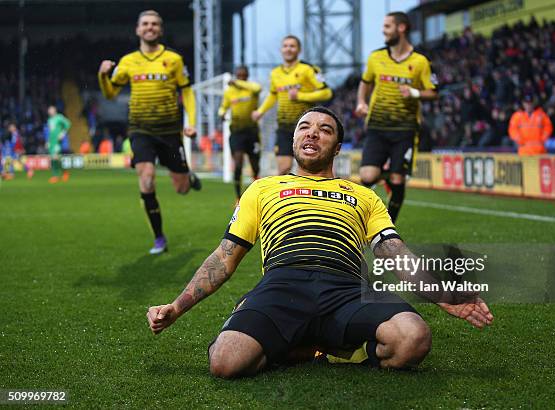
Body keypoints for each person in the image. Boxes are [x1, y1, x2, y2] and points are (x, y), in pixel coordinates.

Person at [147, 106, 493, 378]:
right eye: (304, 128)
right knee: (225, 362)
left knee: (413, 340)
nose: (313, 133)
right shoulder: (263, 188)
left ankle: (309, 345)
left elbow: (394, 252)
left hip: (347, 288)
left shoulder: (363, 195)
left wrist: (443, 295)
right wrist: (177, 307)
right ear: (294, 140)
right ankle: (320, 343)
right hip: (283, 284)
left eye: (324, 130)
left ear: (337, 147)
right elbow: (225, 257)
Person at [98, 10, 201, 255]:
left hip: (169, 131)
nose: (150, 27)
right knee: (146, 178)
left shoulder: (174, 59)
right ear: (138, 29)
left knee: (182, 188)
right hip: (140, 129)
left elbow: (186, 91)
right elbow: (110, 93)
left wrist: (192, 122)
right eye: (145, 24)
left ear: (160, 30)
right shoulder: (128, 62)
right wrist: (102, 75)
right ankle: (159, 238)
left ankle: (188, 176)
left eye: (154, 24)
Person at [355, 11, 438, 223]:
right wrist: (361, 102)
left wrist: (415, 92)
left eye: (387, 26)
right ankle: (387, 174)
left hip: (405, 129)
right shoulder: (376, 57)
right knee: (367, 177)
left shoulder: (420, 62)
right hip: (377, 127)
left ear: (401, 28)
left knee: (398, 178)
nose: (383, 30)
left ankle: (386, 228)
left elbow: (434, 91)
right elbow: (365, 82)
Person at [251, 35, 332, 175]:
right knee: (283, 169)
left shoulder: (308, 69)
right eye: (285, 46)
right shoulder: (275, 73)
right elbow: (273, 94)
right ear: (281, 50)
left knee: (310, 168)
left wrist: (300, 96)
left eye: (292, 46)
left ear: (298, 50)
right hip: (284, 126)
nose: (288, 49)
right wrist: (260, 111)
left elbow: (326, 92)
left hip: (306, 127)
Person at [218, 66, 262, 199]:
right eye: (239, 76)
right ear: (236, 75)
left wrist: (238, 82)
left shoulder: (252, 89)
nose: (241, 78)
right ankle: (238, 197)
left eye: (244, 76)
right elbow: (223, 106)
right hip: (236, 131)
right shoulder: (230, 92)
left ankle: (257, 192)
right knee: (238, 164)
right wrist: (221, 113)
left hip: (252, 132)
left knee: (255, 165)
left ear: (247, 76)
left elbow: (257, 88)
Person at [47, 106, 71, 183]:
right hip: (52, 142)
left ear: (55, 110)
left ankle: (56, 176)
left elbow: (68, 124)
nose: (50, 111)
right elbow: (50, 132)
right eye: (49, 110)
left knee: (55, 157)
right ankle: (63, 172)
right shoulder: (49, 120)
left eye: (51, 110)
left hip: (57, 142)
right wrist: (48, 141)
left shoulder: (59, 117)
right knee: (53, 159)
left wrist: (62, 133)